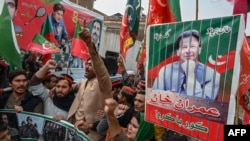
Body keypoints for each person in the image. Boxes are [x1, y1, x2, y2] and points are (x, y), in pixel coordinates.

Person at [67, 23, 112, 141]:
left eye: (90, 65)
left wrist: (89, 45)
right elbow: (68, 87)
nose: (86, 67)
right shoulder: (82, 83)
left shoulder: (104, 83)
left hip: (91, 135)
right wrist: (54, 89)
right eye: (86, 64)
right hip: (72, 131)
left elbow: (99, 66)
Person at [152, 30, 221, 100]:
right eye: (184, 47)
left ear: (199, 50)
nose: (188, 51)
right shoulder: (165, 70)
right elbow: (154, 97)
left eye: (192, 46)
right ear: (178, 52)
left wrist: (190, 74)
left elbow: (205, 104)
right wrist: (167, 96)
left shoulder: (213, 75)